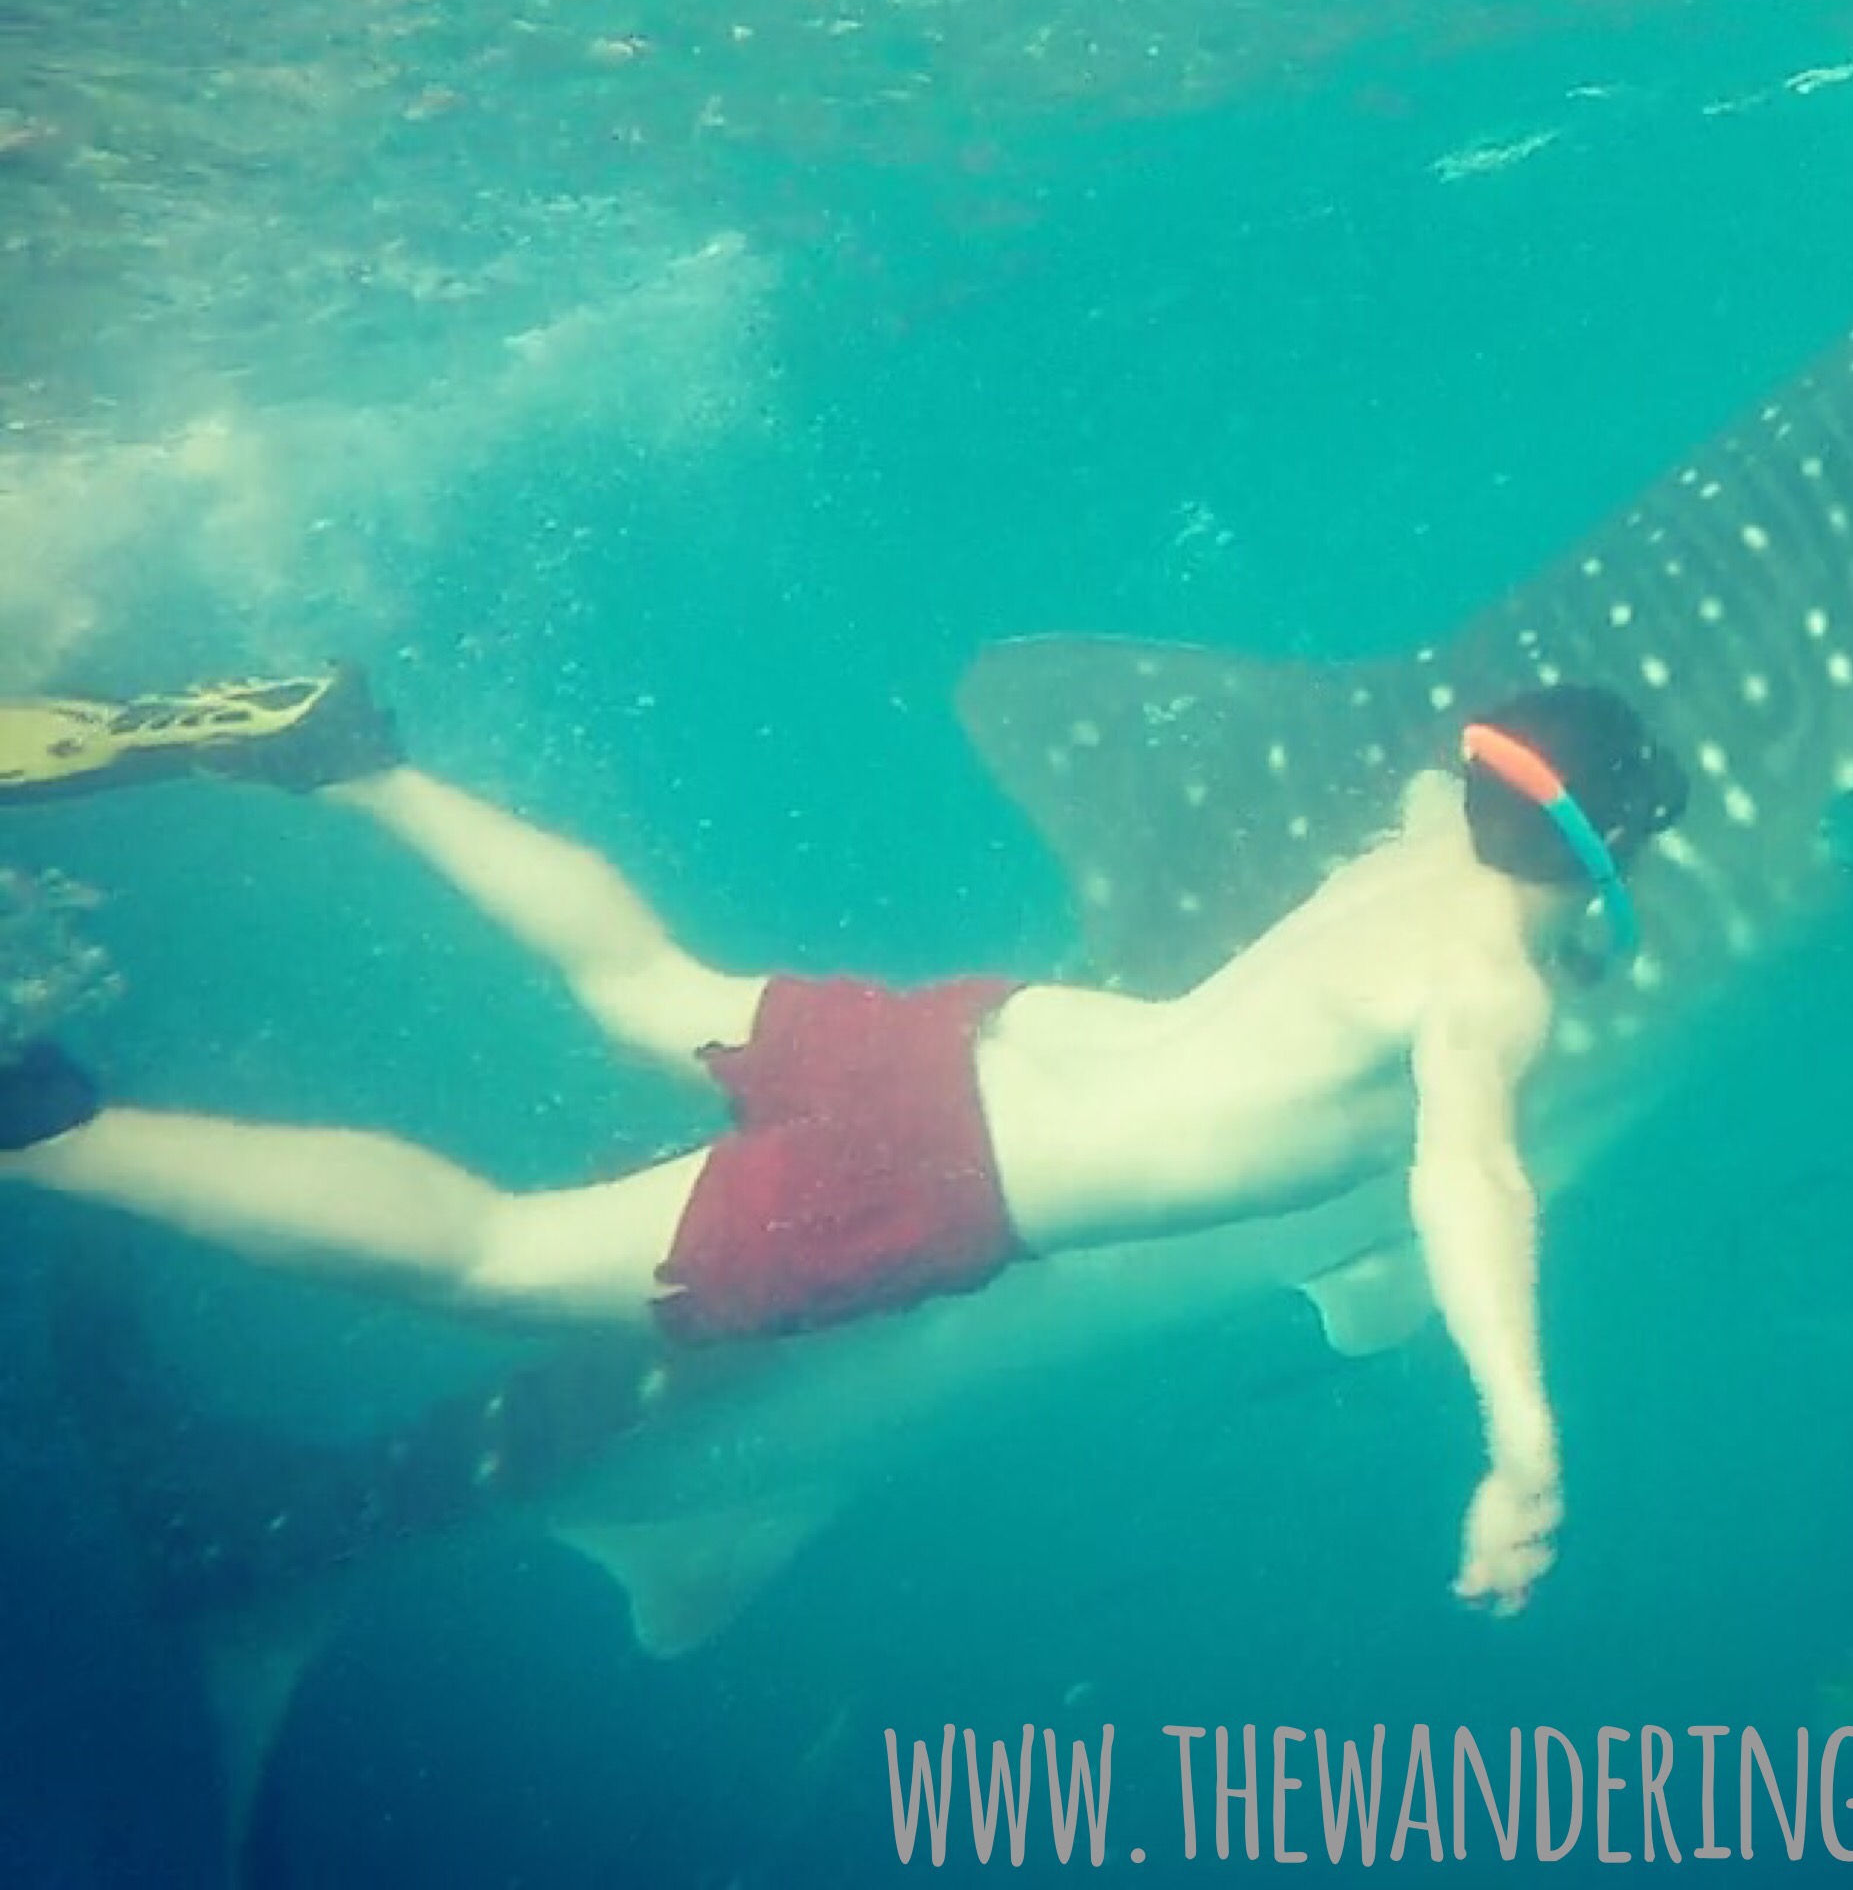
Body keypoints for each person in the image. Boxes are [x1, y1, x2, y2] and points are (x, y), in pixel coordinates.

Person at [0, 667, 1687, 1614]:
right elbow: (1469, 1180)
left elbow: (1478, 815)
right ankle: (53, 1131)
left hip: (967, 1040)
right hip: (940, 1188)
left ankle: (352, 763)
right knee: (495, 1254)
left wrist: (1557, 872)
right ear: (1614, 861)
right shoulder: (1492, 996)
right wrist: (1521, 1433)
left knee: (645, 981)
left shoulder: (1420, 849)